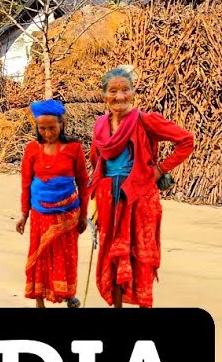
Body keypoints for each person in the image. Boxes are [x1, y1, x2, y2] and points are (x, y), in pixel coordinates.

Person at [89, 65, 194, 309]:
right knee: (113, 258)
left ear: (133, 92)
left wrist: (158, 170)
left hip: (139, 198)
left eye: (125, 90)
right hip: (109, 199)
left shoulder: (144, 121)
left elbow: (186, 141)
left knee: (139, 256)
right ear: (104, 96)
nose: (119, 96)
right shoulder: (100, 125)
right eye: (113, 91)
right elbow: (97, 160)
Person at [16, 99, 87, 308]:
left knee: (67, 256)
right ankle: (39, 300)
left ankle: (67, 293)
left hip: (68, 213)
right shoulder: (31, 149)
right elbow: (26, 183)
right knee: (40, 257)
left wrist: (83, 215)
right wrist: (24, 214)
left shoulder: (74, 149)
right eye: (42, 128)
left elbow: (82, 181)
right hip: (40, 214)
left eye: (52, 128)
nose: (47, 133)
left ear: (61, 124)